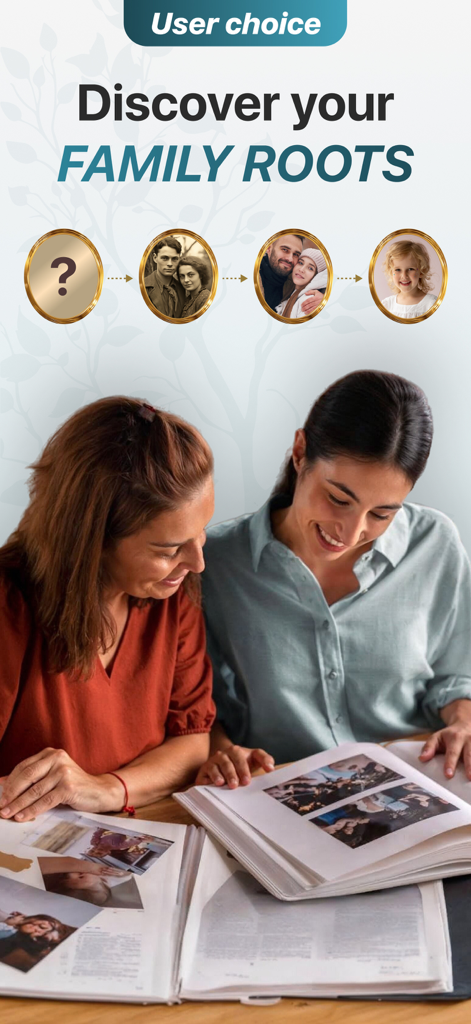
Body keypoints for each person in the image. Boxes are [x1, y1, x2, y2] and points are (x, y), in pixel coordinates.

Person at [196, 370, 471, 788]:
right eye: (338, 499)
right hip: (285, 790)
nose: (352, 530)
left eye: (382, 513)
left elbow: (455, 676)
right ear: (300, 451)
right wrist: (221, 750)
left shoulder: (434, 543)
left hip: (423, 781)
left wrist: (464, 722)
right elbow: (199, 703)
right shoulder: (215, 563)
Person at [0, 398, 215, 822]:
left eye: (202, 532)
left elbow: (192, 743)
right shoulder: (11, 606)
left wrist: (106, 789)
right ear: (92, 541)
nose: (197, 562)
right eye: (169, 548)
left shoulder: (169, 594)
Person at [258, 234, 322, 315]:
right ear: (269, 249)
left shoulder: (294, 282)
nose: (290, 259)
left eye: (296, 254)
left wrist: (323, 299)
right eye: (285, 250)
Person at [381, 240, 438, 319]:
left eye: (411, 269)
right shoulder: (387, 305)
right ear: (391, 272)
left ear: (421, 271)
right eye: (398, 270)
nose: (404, 276)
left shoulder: (431, 304)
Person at [275, 248, 328, 319]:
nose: (301, 269)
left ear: (317, 276)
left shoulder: (309, 301)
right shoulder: (286, 288)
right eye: (300, 263)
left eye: (310, 268)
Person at [145, 236, 186, 318]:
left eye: (174, 259)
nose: (170, 264)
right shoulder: (143, 286)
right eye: (165, 258)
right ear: (155, 258)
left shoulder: (183, 288)